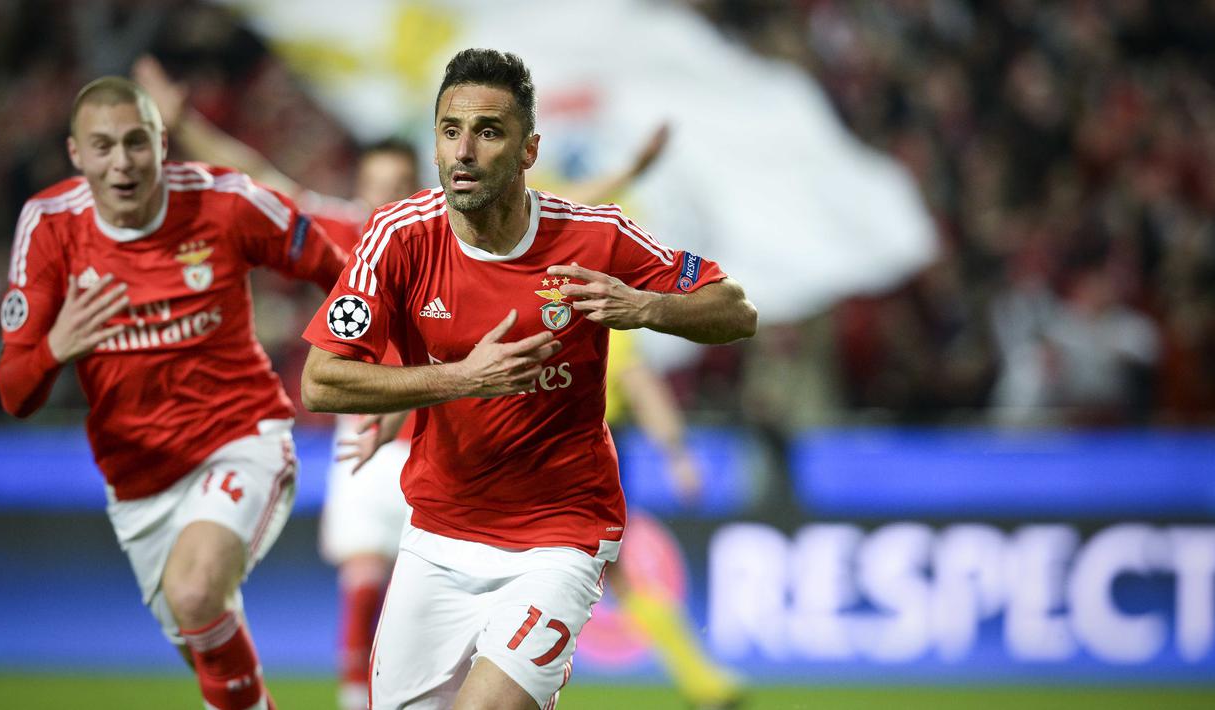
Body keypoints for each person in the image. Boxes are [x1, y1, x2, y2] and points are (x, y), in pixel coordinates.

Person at [133, 53, 679, 710]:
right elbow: (256, 176)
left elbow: (566, 216)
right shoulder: (352, 233)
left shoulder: (450, 232)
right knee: (365, 581)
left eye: (398, 184)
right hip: (372, 438)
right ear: (357, 189)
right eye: (374, 186)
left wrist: (629, 176)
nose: (385, 198)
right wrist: (185, 124)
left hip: (454, 447)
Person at [300, 48, 757, 710]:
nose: (464, 151)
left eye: (488, 132)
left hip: (557, 538)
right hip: (437, 537)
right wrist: (460, 379)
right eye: (450, 131)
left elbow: (734, 308)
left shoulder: (596, 237)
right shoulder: (399, 236)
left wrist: (645, 307)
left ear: (527, 149)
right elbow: (321, 381)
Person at [0, 76, 346, 710]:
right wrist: (55, 347)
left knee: (194, 593)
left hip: (241, 439)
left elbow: (341, 273)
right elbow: (16, 394)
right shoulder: (49, 226)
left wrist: (372, 363)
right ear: (76, 153)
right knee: (207, 642)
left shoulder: (226, 200)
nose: (122, 162)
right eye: (103, 146)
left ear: (163, 142)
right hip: (139, 484)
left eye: (136, 142)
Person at [603, 329, 743, 709]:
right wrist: (677, 456)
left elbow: (639, 383)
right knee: (614, 577)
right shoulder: (604, 311)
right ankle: (705, 683)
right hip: (597, 450)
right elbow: (639, 383)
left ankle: (705, 683)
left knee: (608, 575)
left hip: (577, 451)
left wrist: (677, 456)